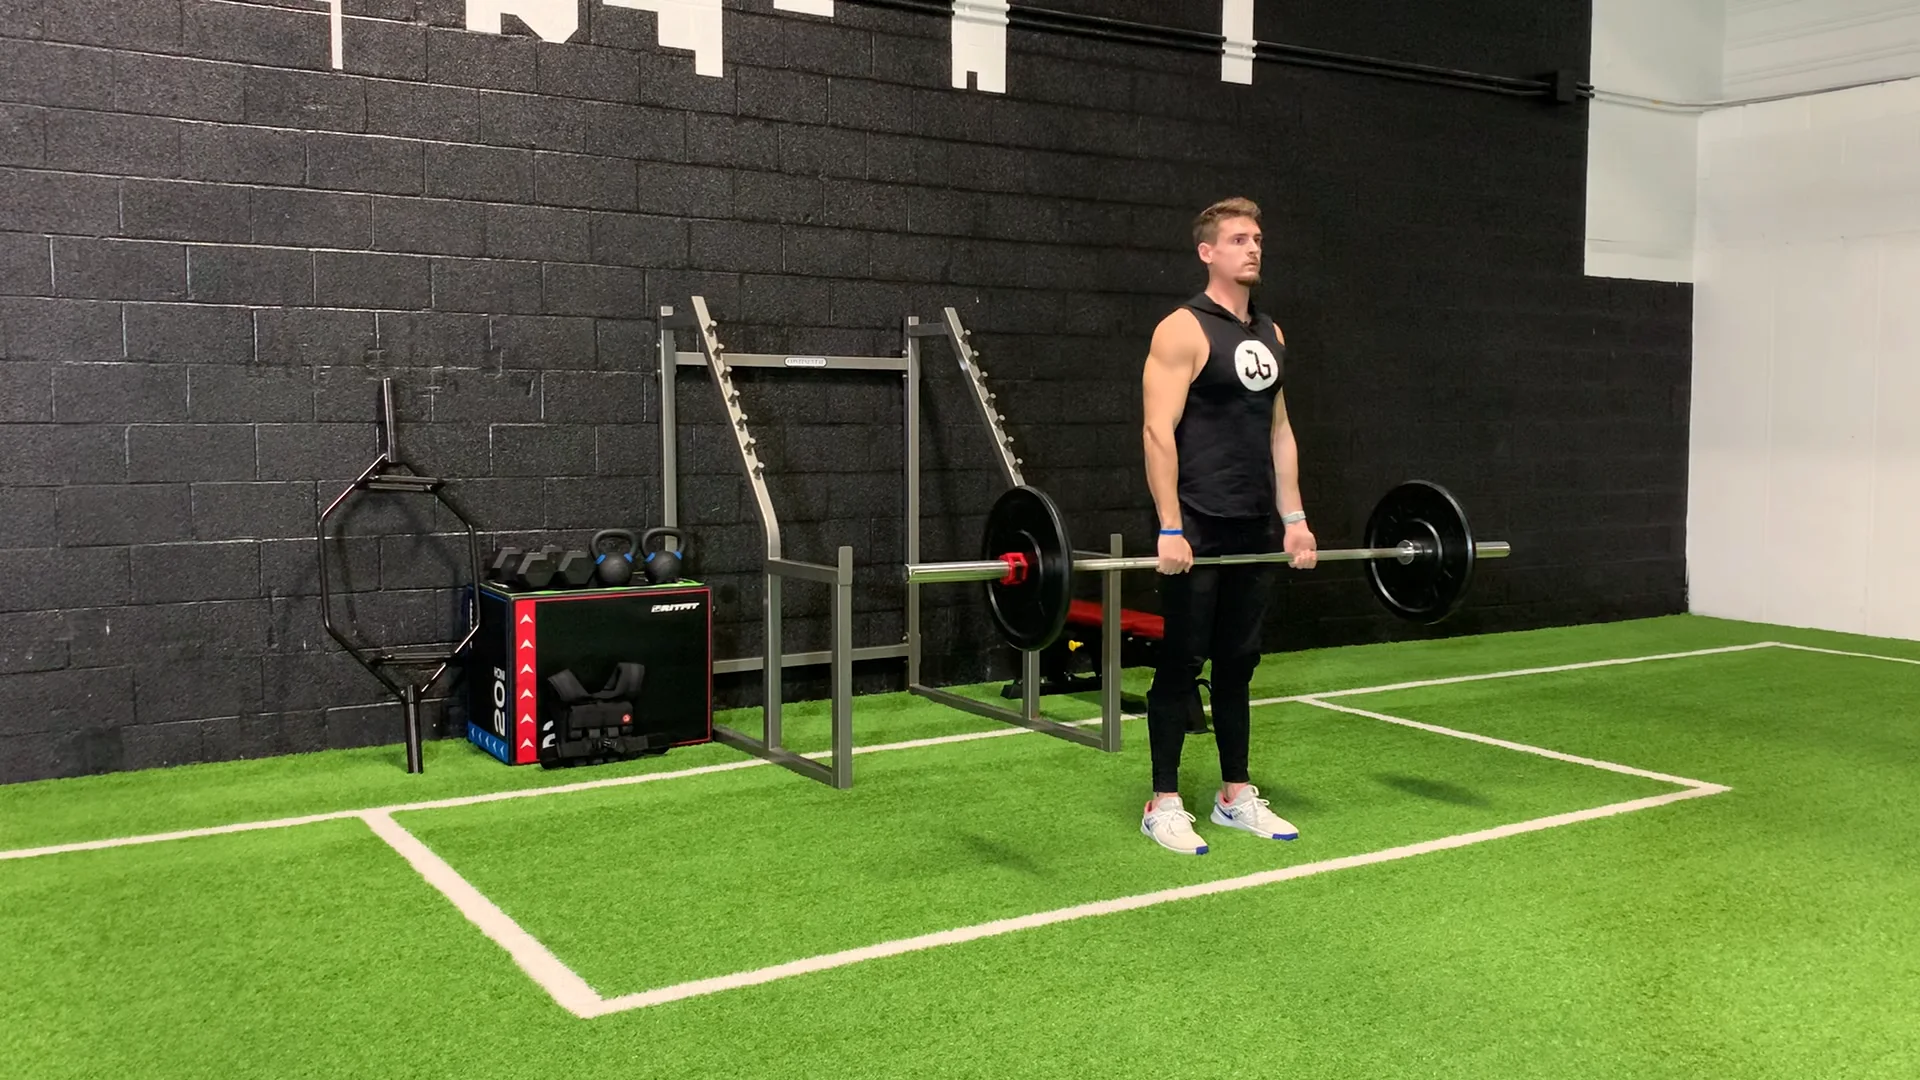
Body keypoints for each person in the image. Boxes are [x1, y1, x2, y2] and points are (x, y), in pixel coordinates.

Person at [1138, 196, 1316, 856]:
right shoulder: (1182, 329)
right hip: (1196, 522)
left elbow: (1279, 430)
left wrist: (1294, 519)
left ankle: (1234, 795)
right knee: (1182, 661)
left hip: (1253, 524)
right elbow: (1157, 430)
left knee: (1239, 661)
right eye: (1239, 239)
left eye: (1258, 238)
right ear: (1207, 251)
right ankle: (1162, 801)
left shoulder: (1270, 333)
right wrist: (1170, 526)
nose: (1253, 248)